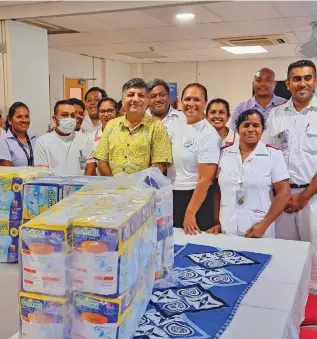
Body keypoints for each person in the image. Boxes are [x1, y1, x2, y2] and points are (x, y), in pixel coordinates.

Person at [263, 60, 317, 276]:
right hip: (281, 197)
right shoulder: (276, 114)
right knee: (284, 254)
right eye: (296, 79)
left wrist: (304, 196)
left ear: (315, 81)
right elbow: (268, 153)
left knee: (314, 255)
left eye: (307, 78)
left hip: (312, 198)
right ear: (287, 84)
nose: (302, 83)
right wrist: (282, 193)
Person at [207, 109, 290, 238]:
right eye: (245, 125)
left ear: (262, 129)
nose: (251, 129)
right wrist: (217, 222)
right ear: (237, 129)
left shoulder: (273, 154)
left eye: (256, 125)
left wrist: (264, 225)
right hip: (226, 229)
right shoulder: (224, 152)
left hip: (258, 231)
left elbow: (284, 193)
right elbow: (218, 191)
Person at [169, 83, 221, 234]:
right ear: (180, 102)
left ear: (205, 103)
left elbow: (206, 179)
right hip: (174, 196)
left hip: (195, 200)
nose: (191, 104)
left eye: (196, 100)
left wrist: (190, 213)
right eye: (187, 99)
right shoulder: (177, 129)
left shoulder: (208, 134)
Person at [94, 78, 172, 176]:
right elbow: (102, 161)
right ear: (123, 101)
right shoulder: (111, 125)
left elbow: (159, 164)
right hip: (113, 189)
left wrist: (137, 186)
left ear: (147, 101)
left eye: (141, 95)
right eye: (131, 95)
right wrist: (114, 184)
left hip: (144, 189)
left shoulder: (156, 126)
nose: (135, 99)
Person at [34, 100, 96, 176]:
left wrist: (83, 185)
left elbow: (91, 167)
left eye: (72, 115)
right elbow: (42, 173)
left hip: (81, 185)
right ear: (54, 118)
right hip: (54, 186)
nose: (69, 119)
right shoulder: (43, 142)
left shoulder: (85, 139)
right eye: (64, 115)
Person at [0, 102, 38, 167]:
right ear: (10, 120)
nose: (24, 120)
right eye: (19, 117)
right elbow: (7, 171)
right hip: (16, 177)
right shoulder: (3, 141)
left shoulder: (36, 138)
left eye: (27, 116)